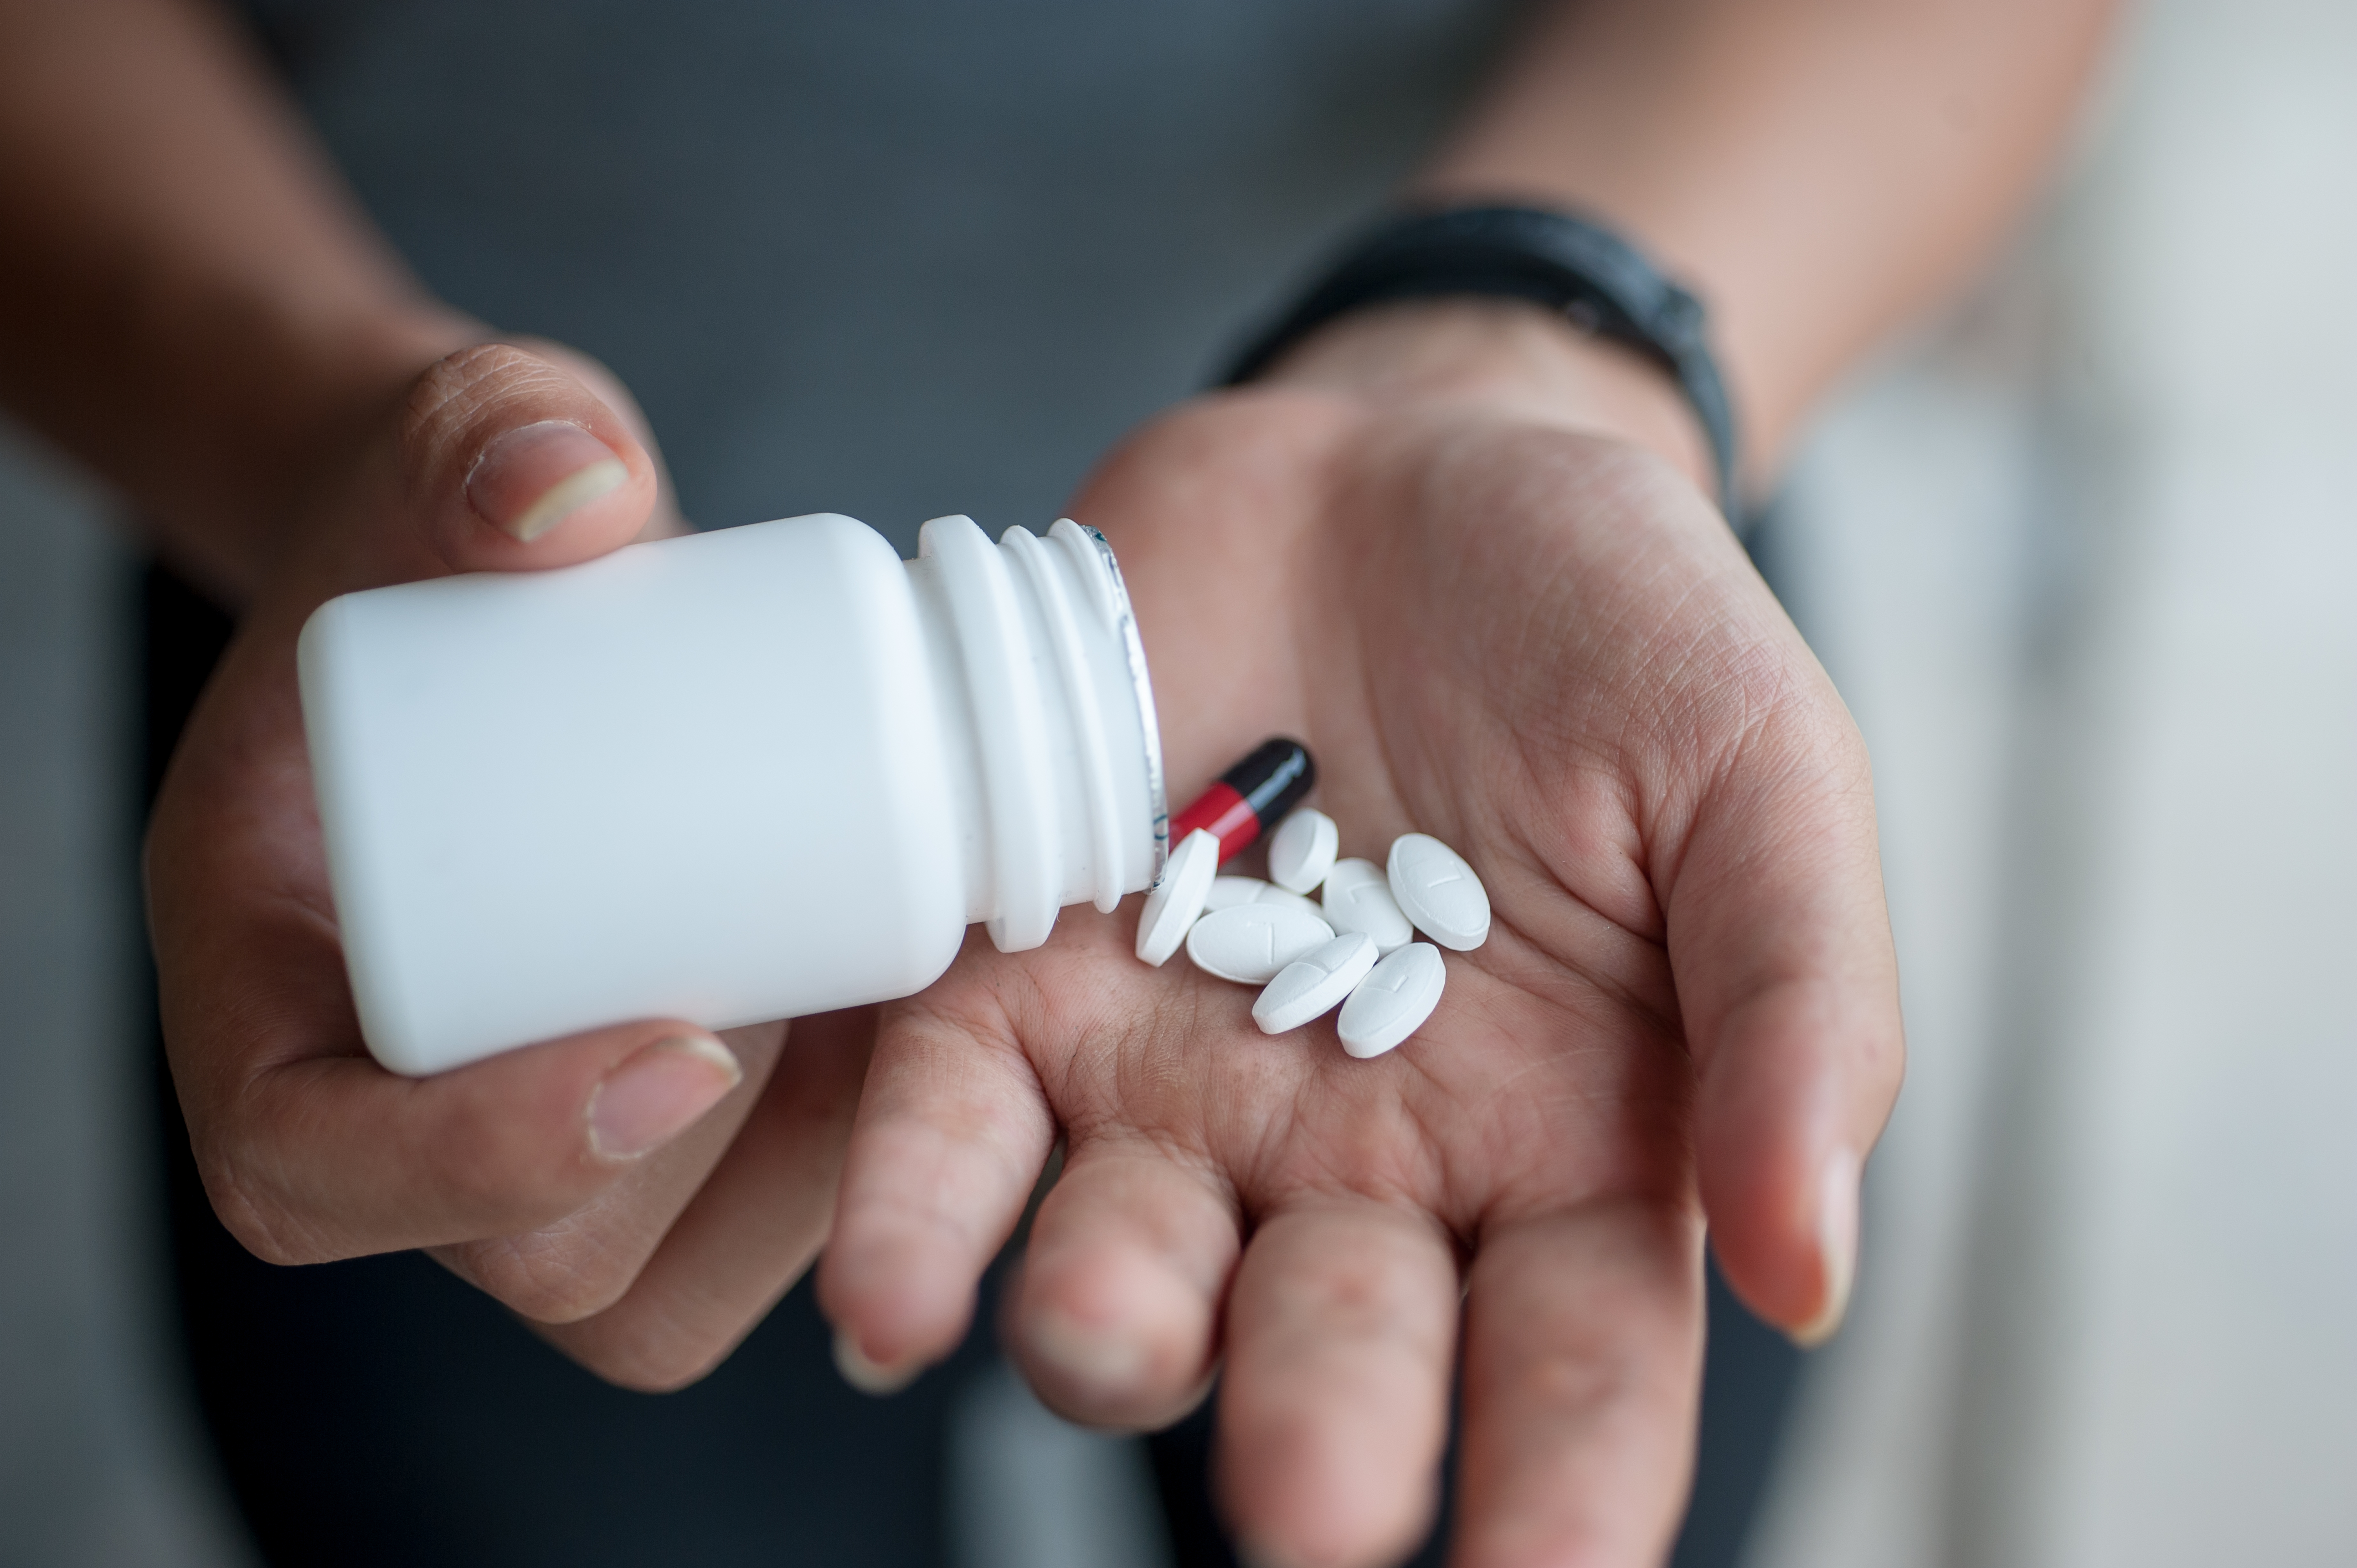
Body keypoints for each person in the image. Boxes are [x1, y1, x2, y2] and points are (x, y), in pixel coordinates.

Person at [0, 0, 2117, 1563]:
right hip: (445, 626)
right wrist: (303, 446)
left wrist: (1532, 340)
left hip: (1506, 661)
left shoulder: (1403, 836)